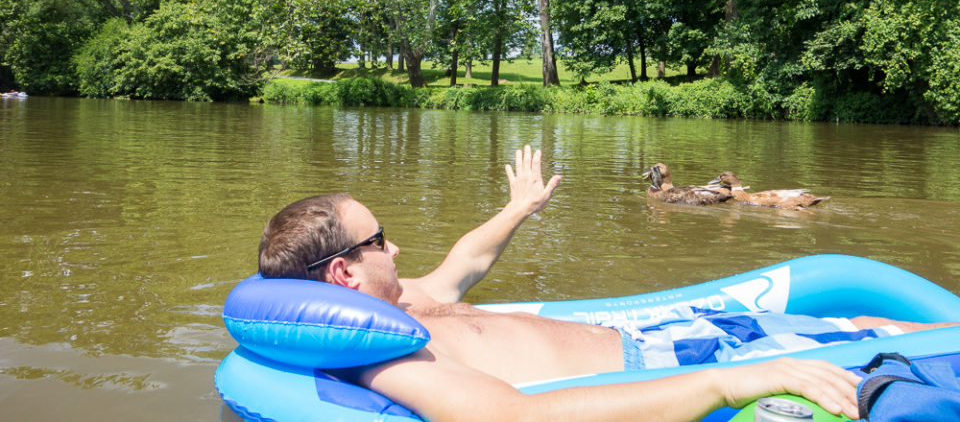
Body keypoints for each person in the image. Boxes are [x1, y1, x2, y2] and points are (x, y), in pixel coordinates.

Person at [258, 146, 948, 422]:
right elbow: (517, 419)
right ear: (343, 271)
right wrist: (724, 385)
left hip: (657, 337)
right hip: (677, 369)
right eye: (379, 239)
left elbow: (462, 265)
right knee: (873, 340)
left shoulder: (402, 304)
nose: (397, 245)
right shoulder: (386, 361)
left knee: (863, 326)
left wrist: (518, 208)